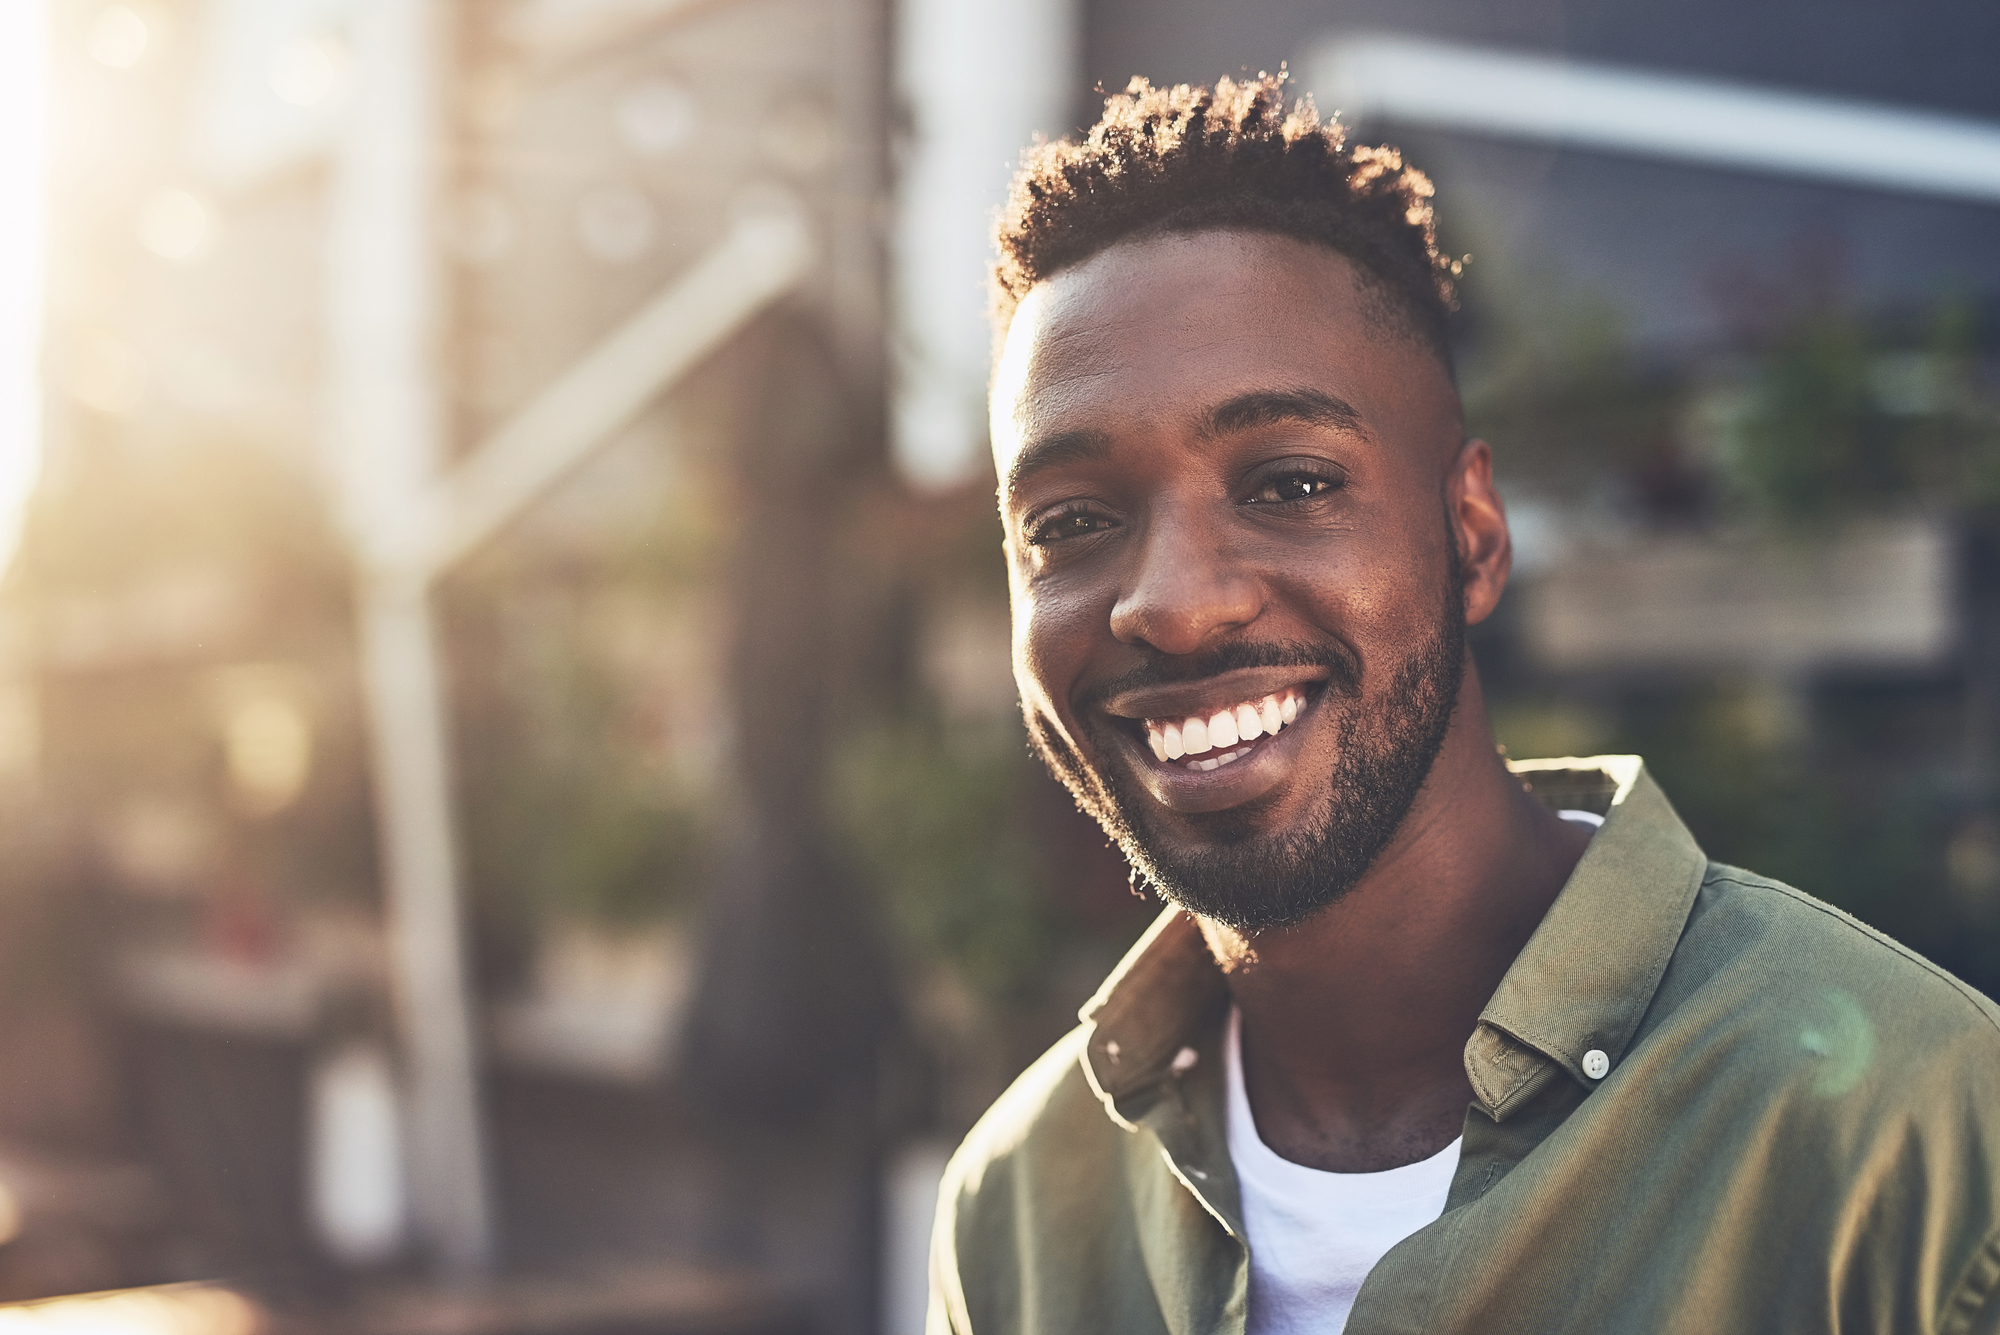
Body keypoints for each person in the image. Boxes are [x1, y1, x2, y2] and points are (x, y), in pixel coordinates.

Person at [926, 73, 2000, 1335]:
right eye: (1069, 523)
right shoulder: (1016, 1207)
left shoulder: (1917, 1140)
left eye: (1285, 482)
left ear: (1472, 536)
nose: (1169, 605)